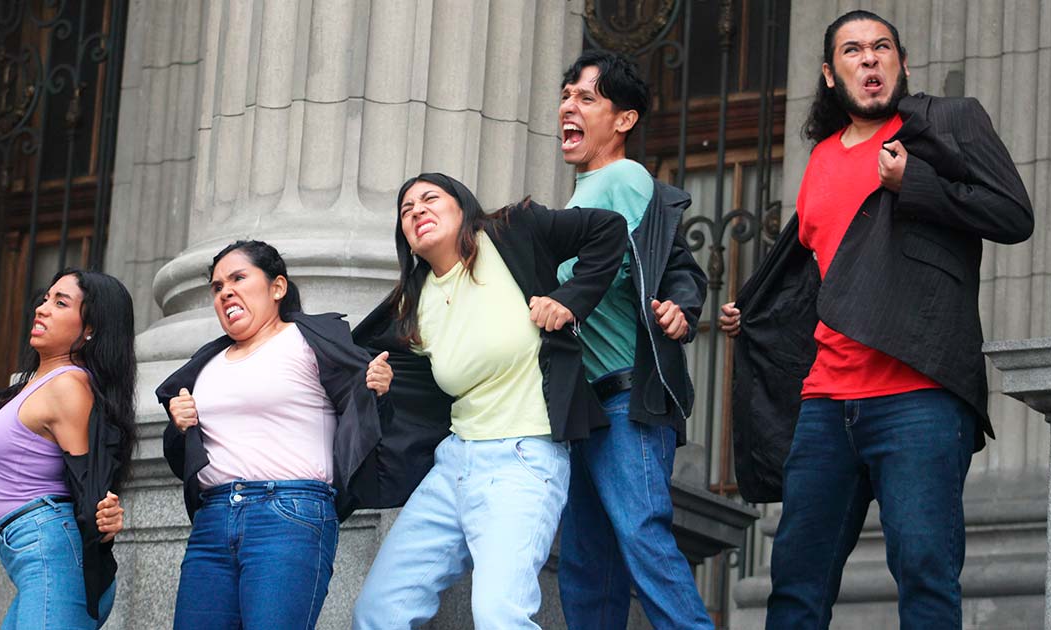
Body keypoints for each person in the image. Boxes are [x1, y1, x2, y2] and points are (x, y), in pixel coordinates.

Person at [719, 10, 1034, 629]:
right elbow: (820, 277)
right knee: (796, 585)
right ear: (830, 74)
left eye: (882, 46)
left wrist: (914, 181)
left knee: (925, 576)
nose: (869, 58)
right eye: (853, 50)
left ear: (902, 63)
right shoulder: (820, 160)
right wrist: (756, 316)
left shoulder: (943, 124)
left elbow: (1012, 214)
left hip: (918, 394)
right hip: (824, 403)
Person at [349, 173, 627, 629]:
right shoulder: (412, 304)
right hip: (453, 464)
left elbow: (609, 228)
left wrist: (569, 301)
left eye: (429, 198)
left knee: (500, 615)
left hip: (523, 458)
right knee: (379, 612)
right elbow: (400, 393)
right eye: (406, 210)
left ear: (462, 206)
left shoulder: (512, 233)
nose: (417, 211)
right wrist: (380, 385)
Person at [553, 50, 714, 629]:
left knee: (640, 538)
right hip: (585, 405)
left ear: (624, 120)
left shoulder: (621, 179)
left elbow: (641, 265)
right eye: (566, 96)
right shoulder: (579, 197)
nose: (568, 107)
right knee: (587, 564)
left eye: (586, 98)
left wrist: (680, 310)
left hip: (626, 399)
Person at [156, 240, 393, 630]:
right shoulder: (206, 362)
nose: (225, 292)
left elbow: (363, 413)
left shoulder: (308, 342)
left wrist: (378, 391)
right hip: (213, 518)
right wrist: (180, 425)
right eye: (217, 287)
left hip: (288, 514)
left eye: (238, 278)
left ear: (277, 287)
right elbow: (186, 454)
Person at [0, 269, 138, 629]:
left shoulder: (68, 385)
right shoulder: (32, 386)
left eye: (61, 303)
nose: (42, 308)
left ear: (90, 328)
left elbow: (91, 474)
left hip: (52, 556)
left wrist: (105, 518)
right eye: (45, 298)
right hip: (36, 556)